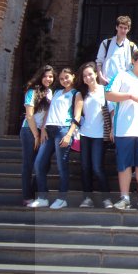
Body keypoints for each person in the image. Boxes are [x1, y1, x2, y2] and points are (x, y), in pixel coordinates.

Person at [106, 50, 138, 210]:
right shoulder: (122, 76)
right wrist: (129, 96)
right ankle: (125, 197)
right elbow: (108, 95)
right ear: (134, 61)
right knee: (124, 164)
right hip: (124, 129)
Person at [30, 67, 82, 208]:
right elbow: (49, 111)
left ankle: (62, 198)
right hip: (49, 131)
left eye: (67, 77)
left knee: (61, 166)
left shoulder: (76, 94)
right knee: (39, 164)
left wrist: (69, 134)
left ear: (73, 76)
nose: (64, 80)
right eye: (61, 78)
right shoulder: (57, 92)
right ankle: (42, 197)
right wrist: (44, 129)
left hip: (63, 131)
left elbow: (77, 116)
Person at [76, 62, 113, 208]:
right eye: (84, 76)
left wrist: (112, 130)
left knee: (97, 167)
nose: (87, 77)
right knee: (85, 167)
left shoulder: (105, 91)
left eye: (90, 74)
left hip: (99, 135)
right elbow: (79, 114)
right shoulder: (81, 94)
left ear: (96, 74)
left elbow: (111, 111)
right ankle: (87, 198)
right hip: (85, 134)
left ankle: (106, 198)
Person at [20, 65, 55, 206]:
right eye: (46, 76)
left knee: (43, 164)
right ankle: (27, 196)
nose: (48, 79)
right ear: (40, 77)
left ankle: (35, 191)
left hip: (42, 131)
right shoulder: (32, 91)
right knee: (29, 164)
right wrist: (36, 135)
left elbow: (47, 114)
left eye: (51, 76)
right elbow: (29, 115)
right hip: (29, 131)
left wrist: (43, 131)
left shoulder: (50, 92)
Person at [96, 15, 137, 85]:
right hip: (106, 81)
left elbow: (136, 64)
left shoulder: (132, 47)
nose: (123, 30)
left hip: (124, 83)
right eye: (121, 27)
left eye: (125, 28)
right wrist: (100, 77)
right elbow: (99, 62)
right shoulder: (106, 43)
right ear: (116, 27)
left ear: (128, 29)